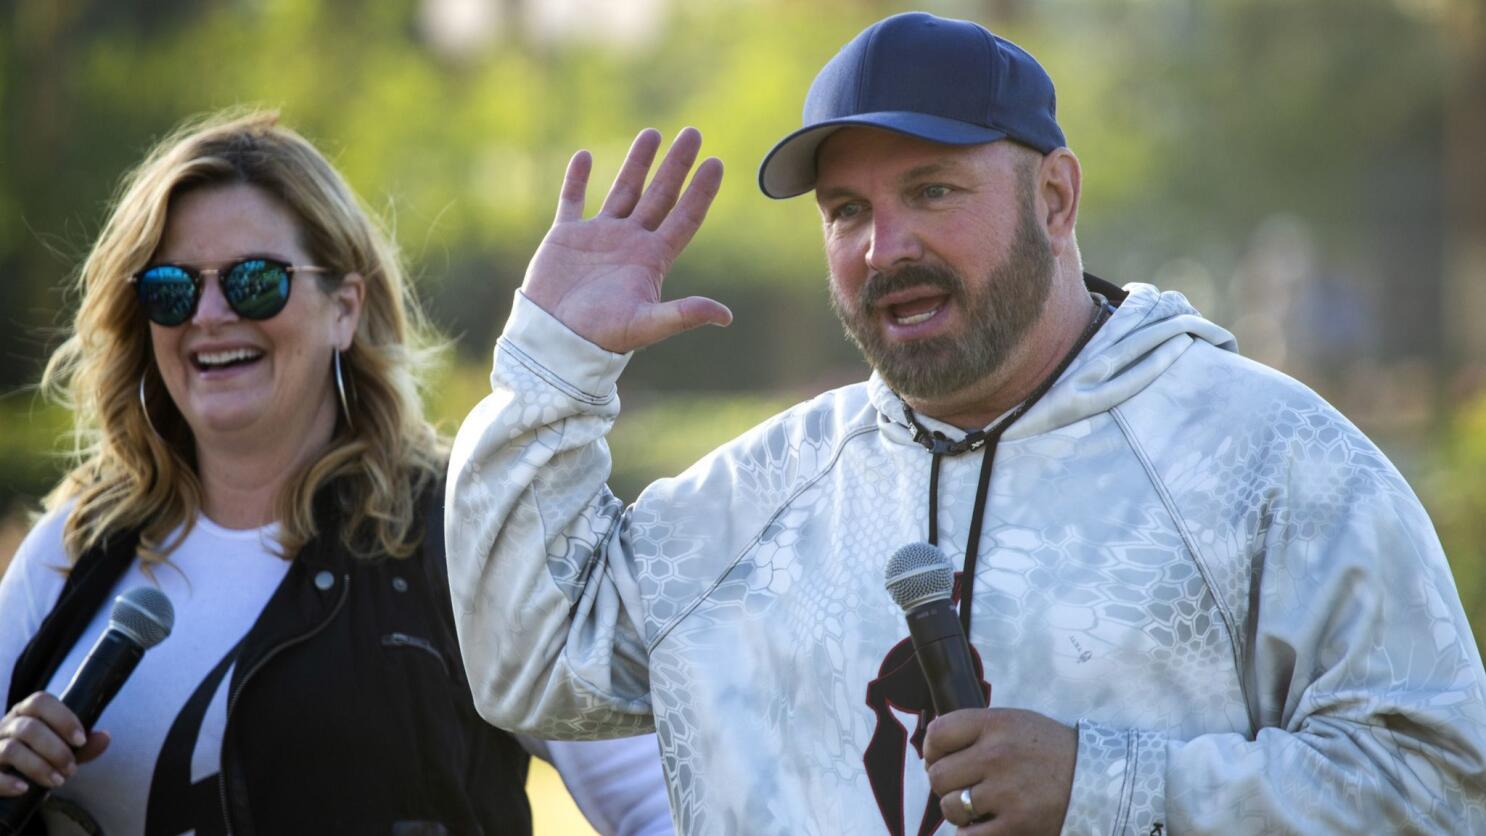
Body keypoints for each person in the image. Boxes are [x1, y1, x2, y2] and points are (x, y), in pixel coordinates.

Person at [444, 11, 1486, 835]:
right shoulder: (757, 497)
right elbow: (533, 664)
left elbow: (1443, 783)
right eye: (846, 210)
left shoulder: (1268, 460)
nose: (881, 244)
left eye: (931, 189)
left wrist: (1102, 789)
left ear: (1056, 198)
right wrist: (553, 369)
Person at [0, 110, 673, 836]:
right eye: (172, 288)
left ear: (345, 308)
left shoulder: (461, 534)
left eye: (255, 281)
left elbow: (662, 804)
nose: (211, 314)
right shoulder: (75, 548)